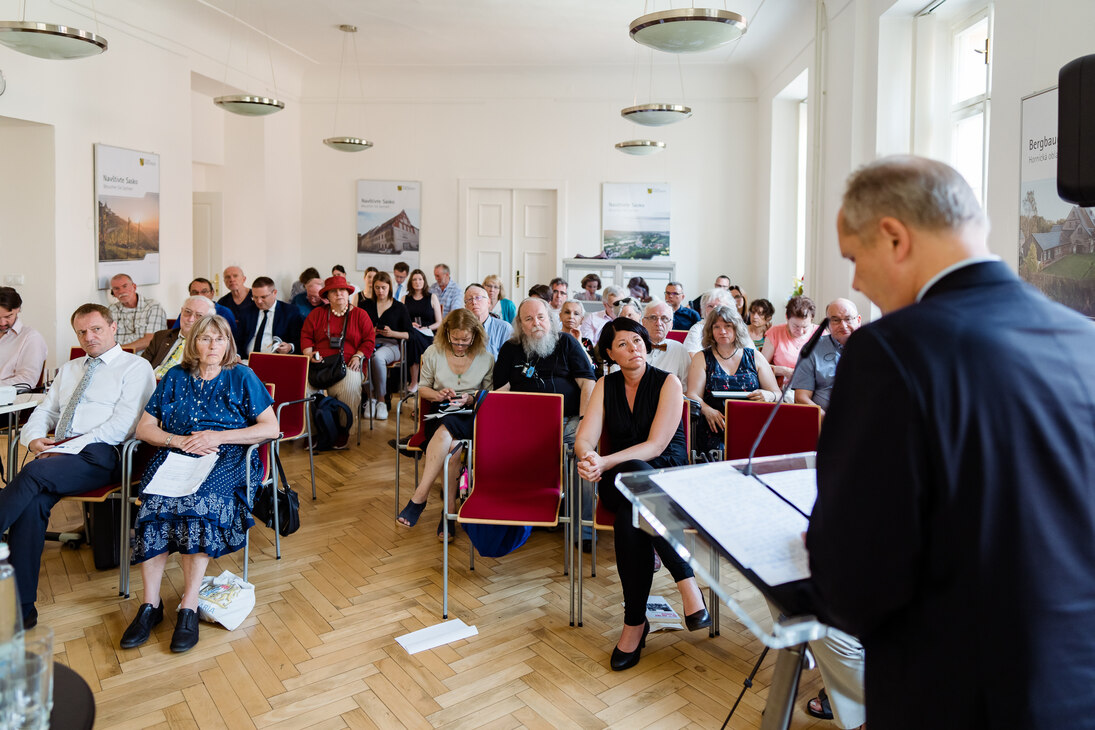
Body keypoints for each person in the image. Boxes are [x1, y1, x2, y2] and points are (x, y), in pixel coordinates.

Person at [807, 155, 1095, 728]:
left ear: (893, 237)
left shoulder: (890, 352)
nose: (856, 281)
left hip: (960, 694)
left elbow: (854, 582)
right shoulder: (1084, 340)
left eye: (853, 258)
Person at [121, 315, 278, 654]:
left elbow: (270, 427)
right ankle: (150, 606)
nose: (211, 346)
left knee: (200, 503)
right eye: (205, 339)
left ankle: (188, 605)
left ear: (228, 344)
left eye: (218, 340)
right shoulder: (175, 377)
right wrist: (177, 441)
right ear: (193, 343)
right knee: (154, 505)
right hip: (177, 455)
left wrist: (216, 436)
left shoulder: (242, 376)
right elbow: (144, 429)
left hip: (227, 457)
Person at [0, 304, 155, 627]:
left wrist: (64, 449)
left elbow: (122, 426)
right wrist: (34, 439)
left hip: (104, 456)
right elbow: (45, 411)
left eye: (96, 329)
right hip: (60, 455)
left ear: (113, 328)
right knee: (32, 505)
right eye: (82, 332)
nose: (89, 337)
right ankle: (21, 610)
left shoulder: (135, 367)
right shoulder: (70, 369)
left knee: (32, 473)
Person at [574, 318, 709, 671]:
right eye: (623, 344)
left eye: (638, 340)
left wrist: (604, 461)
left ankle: (634, 623)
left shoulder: (669, 382)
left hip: (665, 479)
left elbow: (656, 444)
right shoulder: (606, 385)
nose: (634, 348)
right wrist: (589, 458)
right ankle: (686, 582)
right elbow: (584, 439)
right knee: (634, 479)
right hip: (619, 479)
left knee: (629, 519)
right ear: (609, 353)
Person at [395, 309, 493, 540]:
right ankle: (448, 511)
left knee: (448, 432)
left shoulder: (486, 358)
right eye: (455, 340)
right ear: (446, 333)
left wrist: (471, 397)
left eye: (465, 341)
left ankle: (419, 497)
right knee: (453, 444)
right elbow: (423, 388)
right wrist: (439, 395)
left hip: (471, 412)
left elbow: (489, 393)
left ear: (475, 336)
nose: (459, 345)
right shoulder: (433, 352)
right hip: (440, 409)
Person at [493, 297, 595, 444]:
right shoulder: (510, 349)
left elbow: (587, 382)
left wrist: (584, 420)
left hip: (568, 421)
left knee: (582, 444)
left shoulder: (566, 342)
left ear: (550, 319)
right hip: (523, 423)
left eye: (541, 317)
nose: (536, 323)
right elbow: (501, 391)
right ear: (520, 325)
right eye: (528, 319)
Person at [685, 306, 780, 456]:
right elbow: (692, 394)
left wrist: (769, 395)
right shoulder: (701, 358)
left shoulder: (754, 356)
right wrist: (707, 410)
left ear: (737, 328)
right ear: (710, 330)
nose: (722, 331)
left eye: (727, 326)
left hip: (752, 423)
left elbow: (777, 393)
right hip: (714, 424)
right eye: (717, 327)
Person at [301, 275, 376, 443]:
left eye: (342, 290)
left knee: (349, 386)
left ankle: (344, 429)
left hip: (349, 364)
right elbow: (306, 336)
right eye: (333, 291)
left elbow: (369, 340)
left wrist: (359, 356)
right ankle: (312, 432)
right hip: (320, 365)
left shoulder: (360, 315)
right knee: (303, 389)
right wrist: (309, 353)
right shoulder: (316, 314)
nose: (339, 294)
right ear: (327, 296)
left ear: (348, 293)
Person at [792, 298, 861, 418]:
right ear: (827, 324)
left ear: (858, 320)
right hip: (825, 420)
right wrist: (826, 420)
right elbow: (801, 397)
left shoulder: (874, 347)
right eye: (835, 320)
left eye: (848, 319)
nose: (843, 325)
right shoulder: (812, 349)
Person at [360, 271, 411, 420]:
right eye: (377, 288)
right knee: (362, 357)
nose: (380, 291)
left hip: (393, 345)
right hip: (371, 343)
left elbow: (409, 334)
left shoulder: (399, 307)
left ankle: (381, 400)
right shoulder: (365, 305)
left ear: (390, 287)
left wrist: (392, 333)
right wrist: (371, 333)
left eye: (383, 287)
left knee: (376, 358)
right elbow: (357, 330)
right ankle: (371, 398)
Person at [144, 295, 216, 377]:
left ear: (209, 320)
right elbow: (142, 366)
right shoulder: (161, 336)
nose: (190, 319)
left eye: (199, 315)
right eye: (187, 312)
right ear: (181, 311)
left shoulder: (210, 345)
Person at [235, 276, 303, 358]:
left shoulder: (290, 312)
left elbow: (299, 341)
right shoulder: (246, 312)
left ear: (274, 293)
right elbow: (237, 340)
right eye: (255, 297)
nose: (259, 301)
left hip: (276, 360)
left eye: (263, 297)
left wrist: (290, 347)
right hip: (247, 360)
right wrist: (237, 355)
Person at [761, 295, 818, 389]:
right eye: (796, 326)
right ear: (787, 317)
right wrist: (783, 370)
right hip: (783, 389)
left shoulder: (821, 334)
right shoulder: (775, 333)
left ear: (811, 319)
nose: (800, 331)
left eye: (805, 327)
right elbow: (760, 366)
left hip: (813, 389)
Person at [403, 268, 443, 392]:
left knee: (414, 339)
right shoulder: (405, 299)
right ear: (411, 282)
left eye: (420, 279)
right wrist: (410, 325)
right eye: (414, 279)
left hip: (428, 334)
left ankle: (414, 382)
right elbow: (401, 321)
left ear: (424, 281)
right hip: (412, 333)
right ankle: (419, 381)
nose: (417, 282)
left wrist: (426, 327)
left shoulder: (432, 297)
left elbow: (439, 322)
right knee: (413, 336)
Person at [0, 287, 47, 389]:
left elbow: (27, 381)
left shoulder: (31, 337)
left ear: (18, 309)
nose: (2, 323)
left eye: (8, 316)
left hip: (11, 400)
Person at [108, 273, 166, 353]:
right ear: (113, 293)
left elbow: (150, 340)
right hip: (117, 357)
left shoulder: (153, 307)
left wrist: (120, 351)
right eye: (116, 288)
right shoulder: (111, 310)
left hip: (144, 358)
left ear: (134, 287)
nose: (121, 291)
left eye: (125, 286)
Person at [641, 299, 690, 389]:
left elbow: (686, 386)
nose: (658, 323)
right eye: (653, 318)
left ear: (671, 325)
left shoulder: (679, 349)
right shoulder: (634, 347)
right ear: (643, 322)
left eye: (664, 318)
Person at [682, 288, 739, 355]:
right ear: (704, 309)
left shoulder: (737, 326)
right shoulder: (697, 329)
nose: (714, 310)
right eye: (710, 306)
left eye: (719, 306)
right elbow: (692, 357)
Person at [171, 279, 237, 334]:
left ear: (212, 293)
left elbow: (231, 338)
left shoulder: (224, 312)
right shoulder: (187, 312)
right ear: (190, 294)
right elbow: (173, 333)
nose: (199, 295)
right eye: (194, 292)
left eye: (204, 291)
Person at [463, 283, 513, 356]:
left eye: (478, 297)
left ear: (488, 302)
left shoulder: (504, 329)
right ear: (465, 307)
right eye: (469, 299)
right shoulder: (460, 329)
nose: (474, 302)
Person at [559, 300, 597, 366]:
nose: (571, 316)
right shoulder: (552, 340)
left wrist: (579, 343)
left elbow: (592, 367)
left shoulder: (585, 342)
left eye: (576, 314)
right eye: (567, 312)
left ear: (582, 320)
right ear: (560, 316)